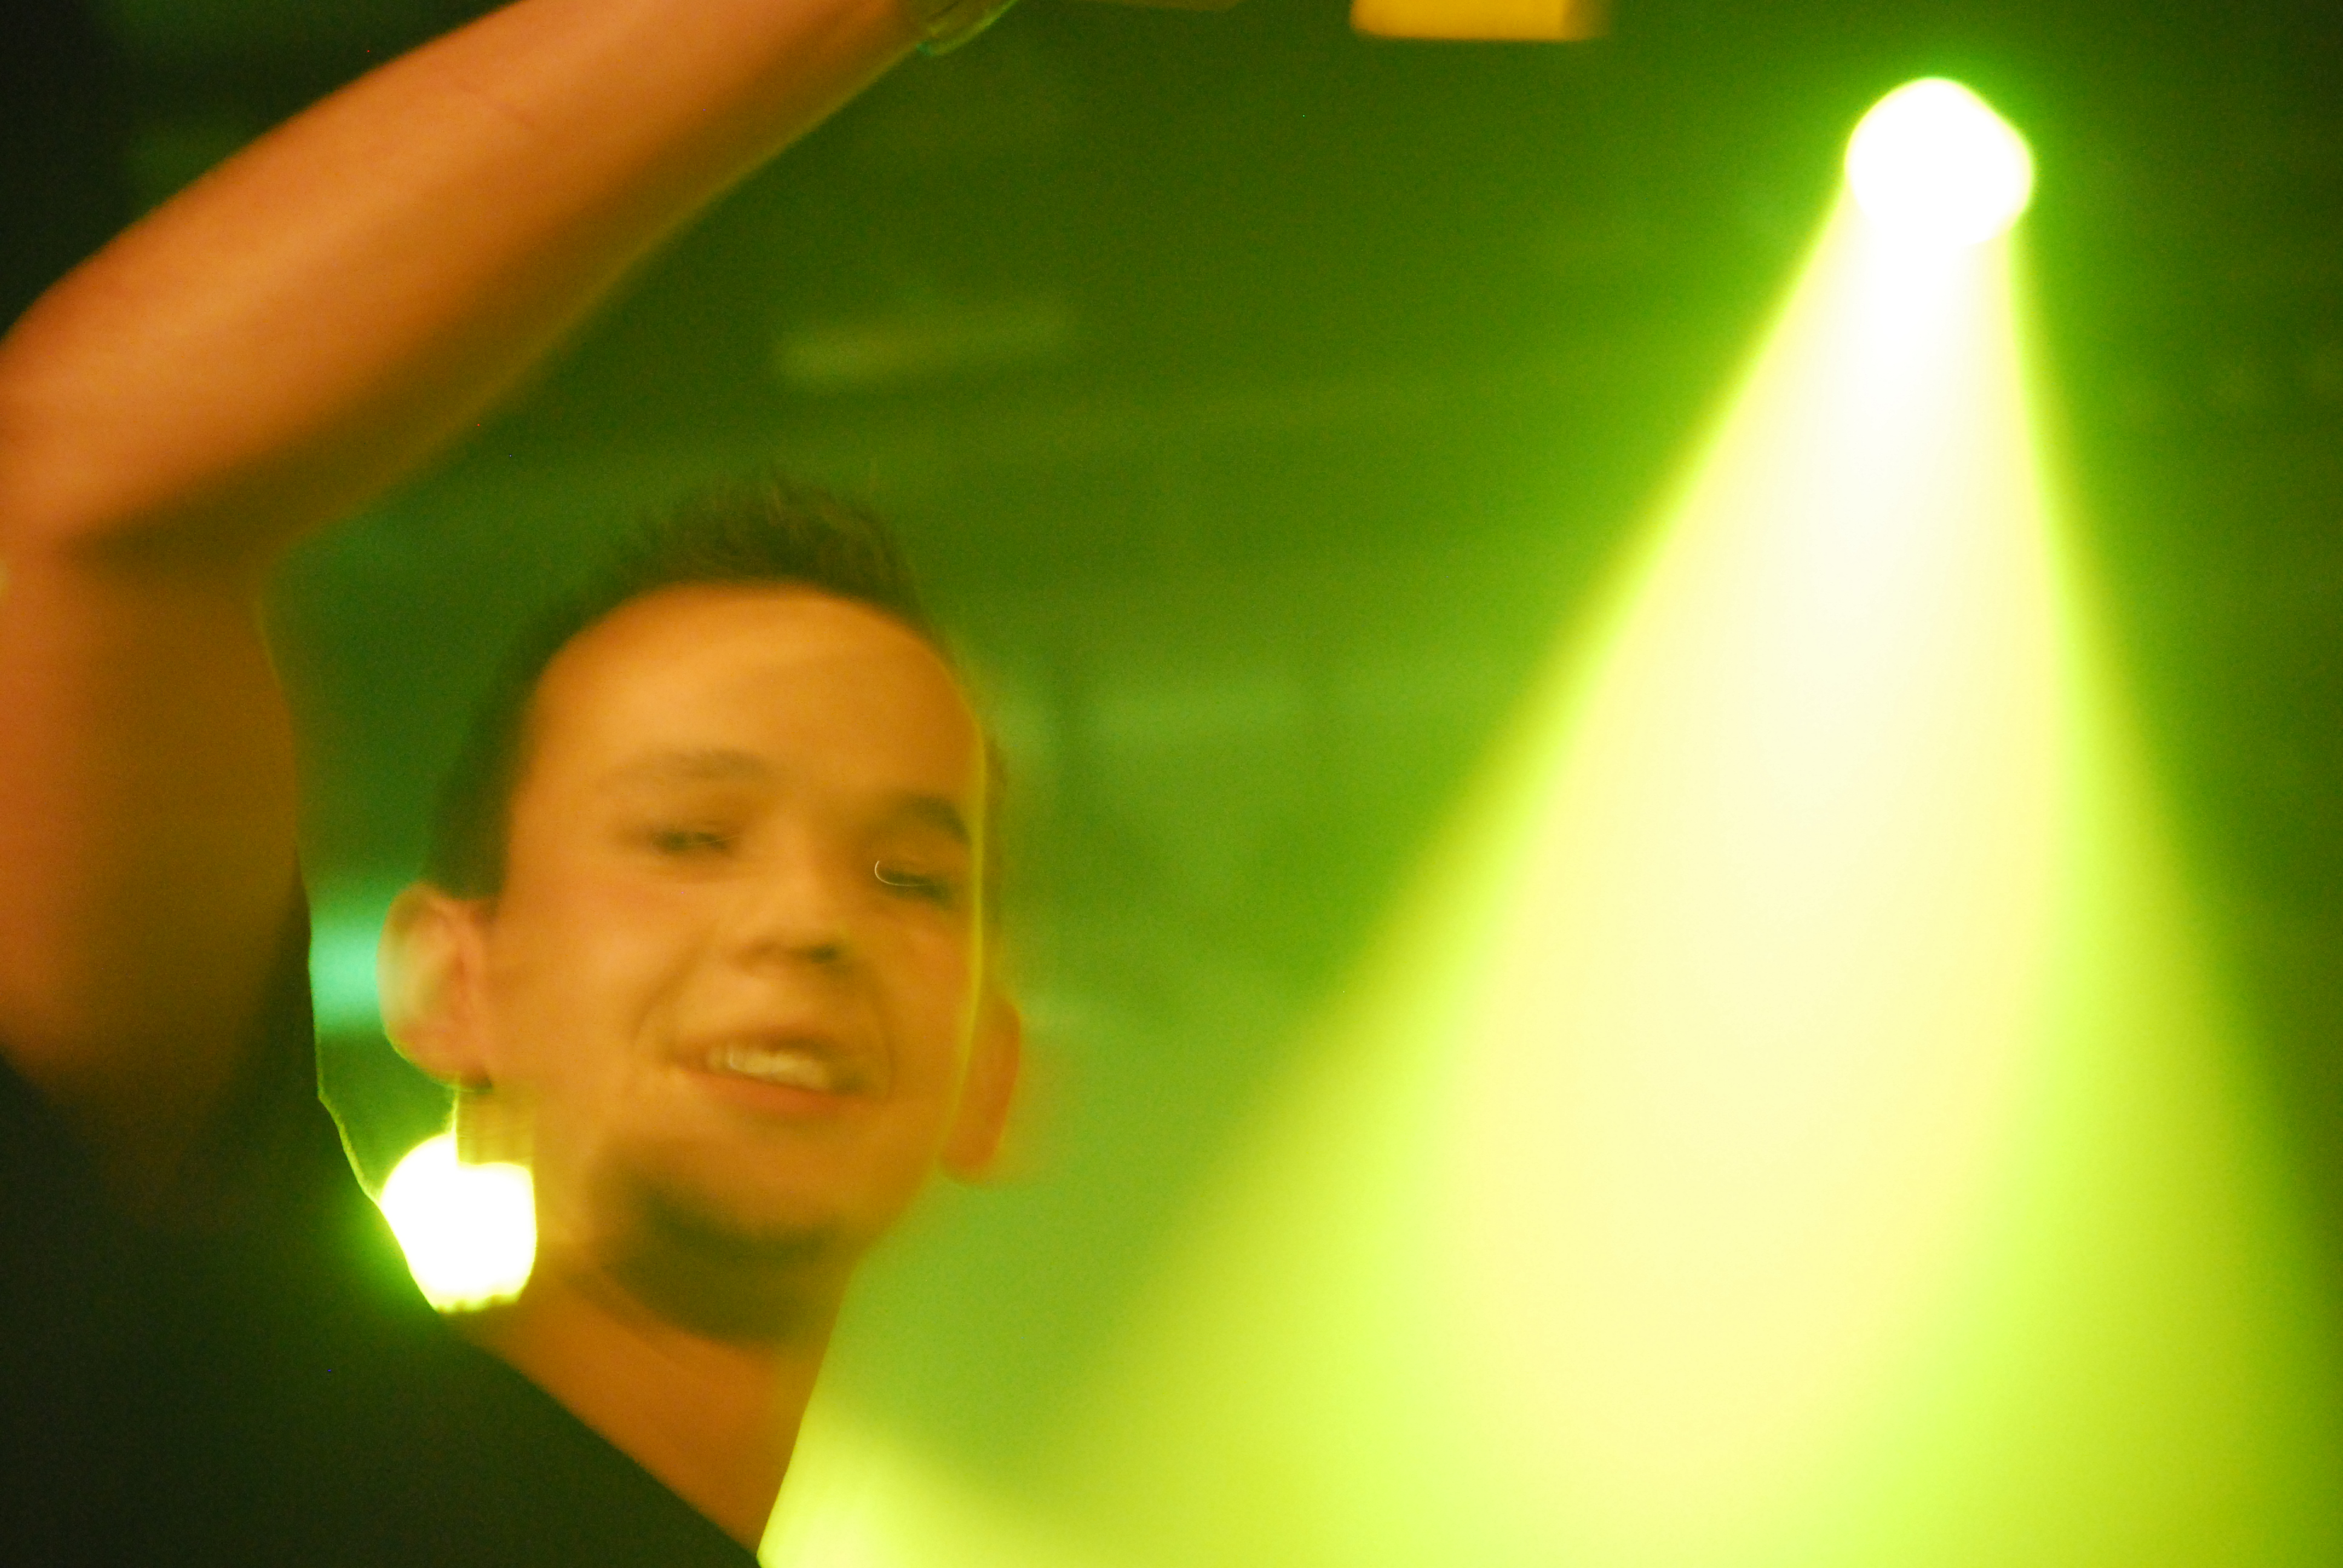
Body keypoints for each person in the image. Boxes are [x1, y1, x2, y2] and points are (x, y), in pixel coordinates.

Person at [0, 0, 1031, 1560]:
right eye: (689, 836)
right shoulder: (239, 1408)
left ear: (991, 1073)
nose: (811, 921)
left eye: (912, 877)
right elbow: (95, 482)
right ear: (454, 982)